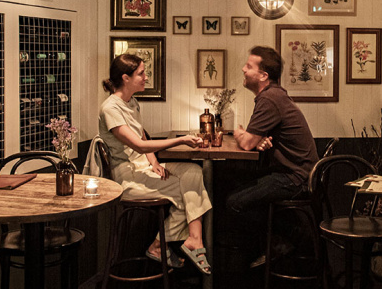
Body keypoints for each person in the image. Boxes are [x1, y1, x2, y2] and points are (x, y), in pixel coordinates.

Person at [99, 53, 213, 274]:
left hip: (143, 167)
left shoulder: (132, 102)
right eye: (141, 73)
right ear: (125, 78)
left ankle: (185, 240)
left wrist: (153, 161)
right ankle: (163, 244)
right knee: (190, 193)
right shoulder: (110, 108)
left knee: (192, 172)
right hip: (126, 177)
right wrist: (181, 140)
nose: (146, 77)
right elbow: (139, 145)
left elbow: (141, 134)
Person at [230, 46, 319, 266]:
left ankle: (291, 239)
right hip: (297, 173)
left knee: (234, 202)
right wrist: (258, 139)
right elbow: (256, 140)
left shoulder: (269, 99)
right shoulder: (274, 96)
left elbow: (247, 142)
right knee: (235, 186)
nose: (243, 69)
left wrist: (238, 132)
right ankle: (278, 242)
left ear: (263, 75)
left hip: (296, 177)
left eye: (249, 66)